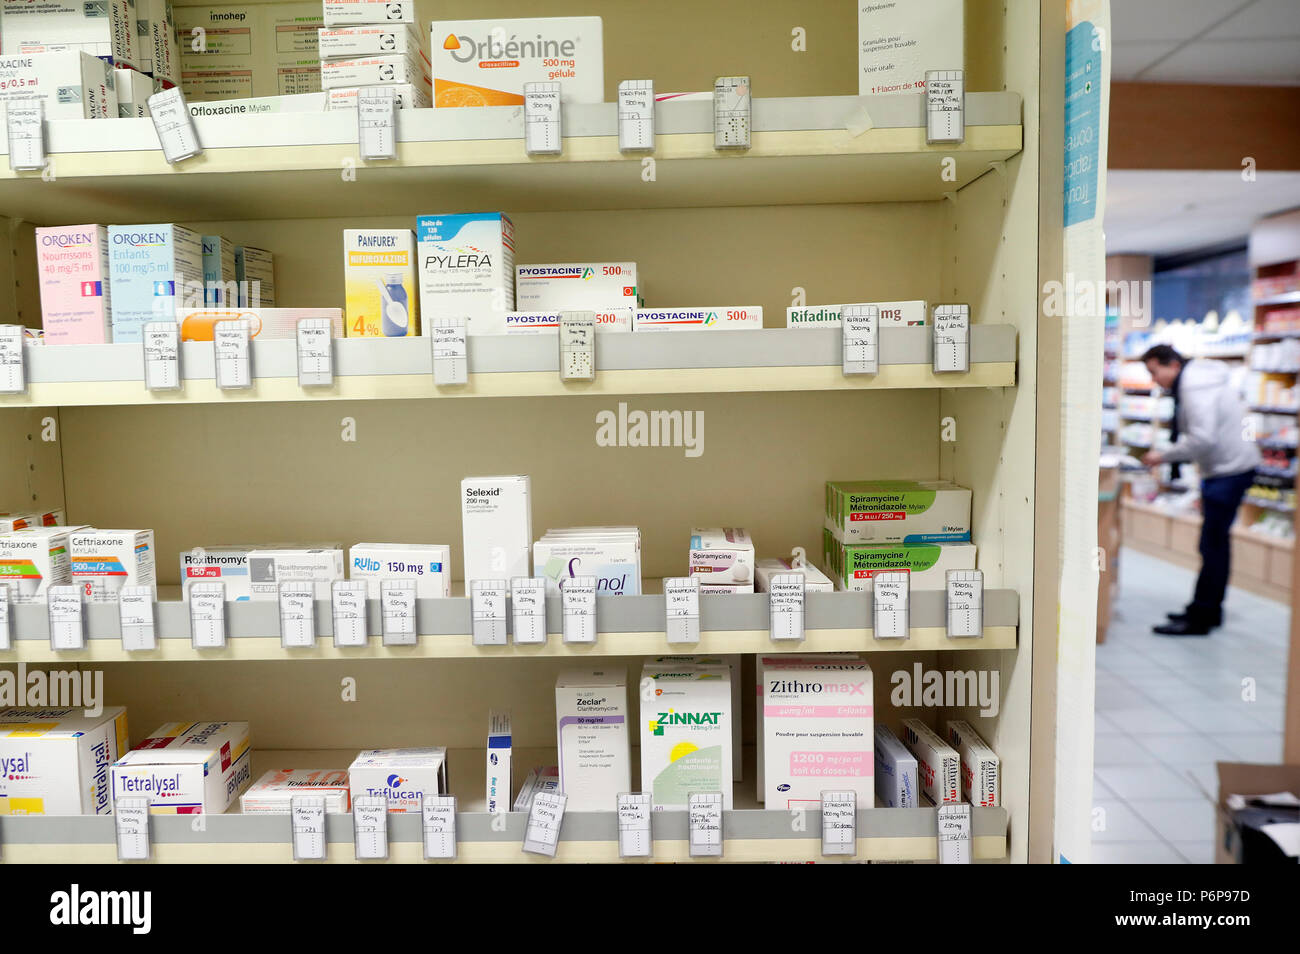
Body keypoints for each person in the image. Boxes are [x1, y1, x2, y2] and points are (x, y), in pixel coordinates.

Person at [1140, 344, 1260, 636]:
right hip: (1228, 469)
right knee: (1214, 544)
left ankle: (1201, 617)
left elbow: (1202, 438)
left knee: (1212, 545)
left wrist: (1163, 455)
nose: (1155, 380)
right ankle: (1205, 609)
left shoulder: (1194, 387)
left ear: (1174, 365)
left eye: (1156, 372)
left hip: (1229, 471)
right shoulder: (1196, 381)